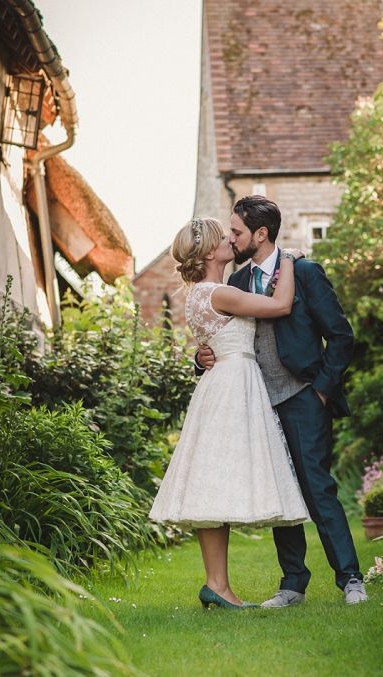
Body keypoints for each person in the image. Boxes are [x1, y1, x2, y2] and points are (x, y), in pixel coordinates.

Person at [196, 195, 367, 606]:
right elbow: (221, 337)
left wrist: (322, 390)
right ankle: (292, 585)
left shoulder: (305, 272)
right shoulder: (233, 284)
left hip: (304, 397)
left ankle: (351, 580)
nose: (231, 239)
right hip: (256, 404)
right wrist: (199, 359)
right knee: (279, 493)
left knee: (317, 488)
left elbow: (341, 336)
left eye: (236, 231)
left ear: (261, 233)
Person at [149, 217, 310, 610]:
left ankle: (217, 585)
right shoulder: (217, 292)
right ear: (208, 252)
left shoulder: (202, 293)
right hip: (232, 385)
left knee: (214, 483)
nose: (230, 241)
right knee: (217, 481)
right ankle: (217, 585)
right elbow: (280, 305)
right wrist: (286, 259)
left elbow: (215, 341)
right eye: (224, 237)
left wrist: (201, 356)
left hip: (222, 383)